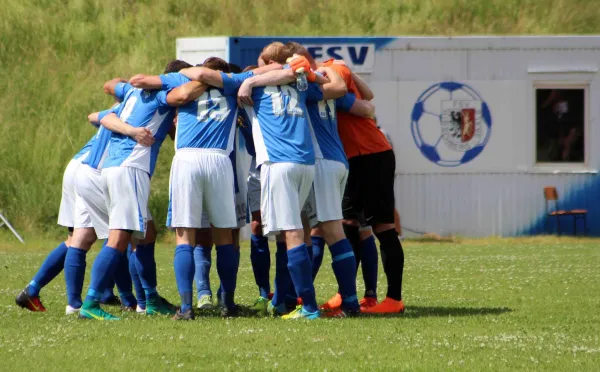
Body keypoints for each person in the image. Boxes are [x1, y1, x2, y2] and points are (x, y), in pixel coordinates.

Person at [77, 60, 194, 320]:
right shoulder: (164, 96)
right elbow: (185, 94)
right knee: (119, 238)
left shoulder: (130, 90)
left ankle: (151, 299)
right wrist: (205, 79)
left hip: (113, 166)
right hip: (130, 167)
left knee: (147, 233)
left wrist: (127, 84)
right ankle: (90, 302)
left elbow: (109, 85)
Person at [15, 114, 112, 312]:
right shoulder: (138, 103)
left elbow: (95, 117)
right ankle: (83, 301)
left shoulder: (122, 105)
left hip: (77, 164)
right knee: (114, 234)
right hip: (93, 169)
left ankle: (33, 290)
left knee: (75, 239)